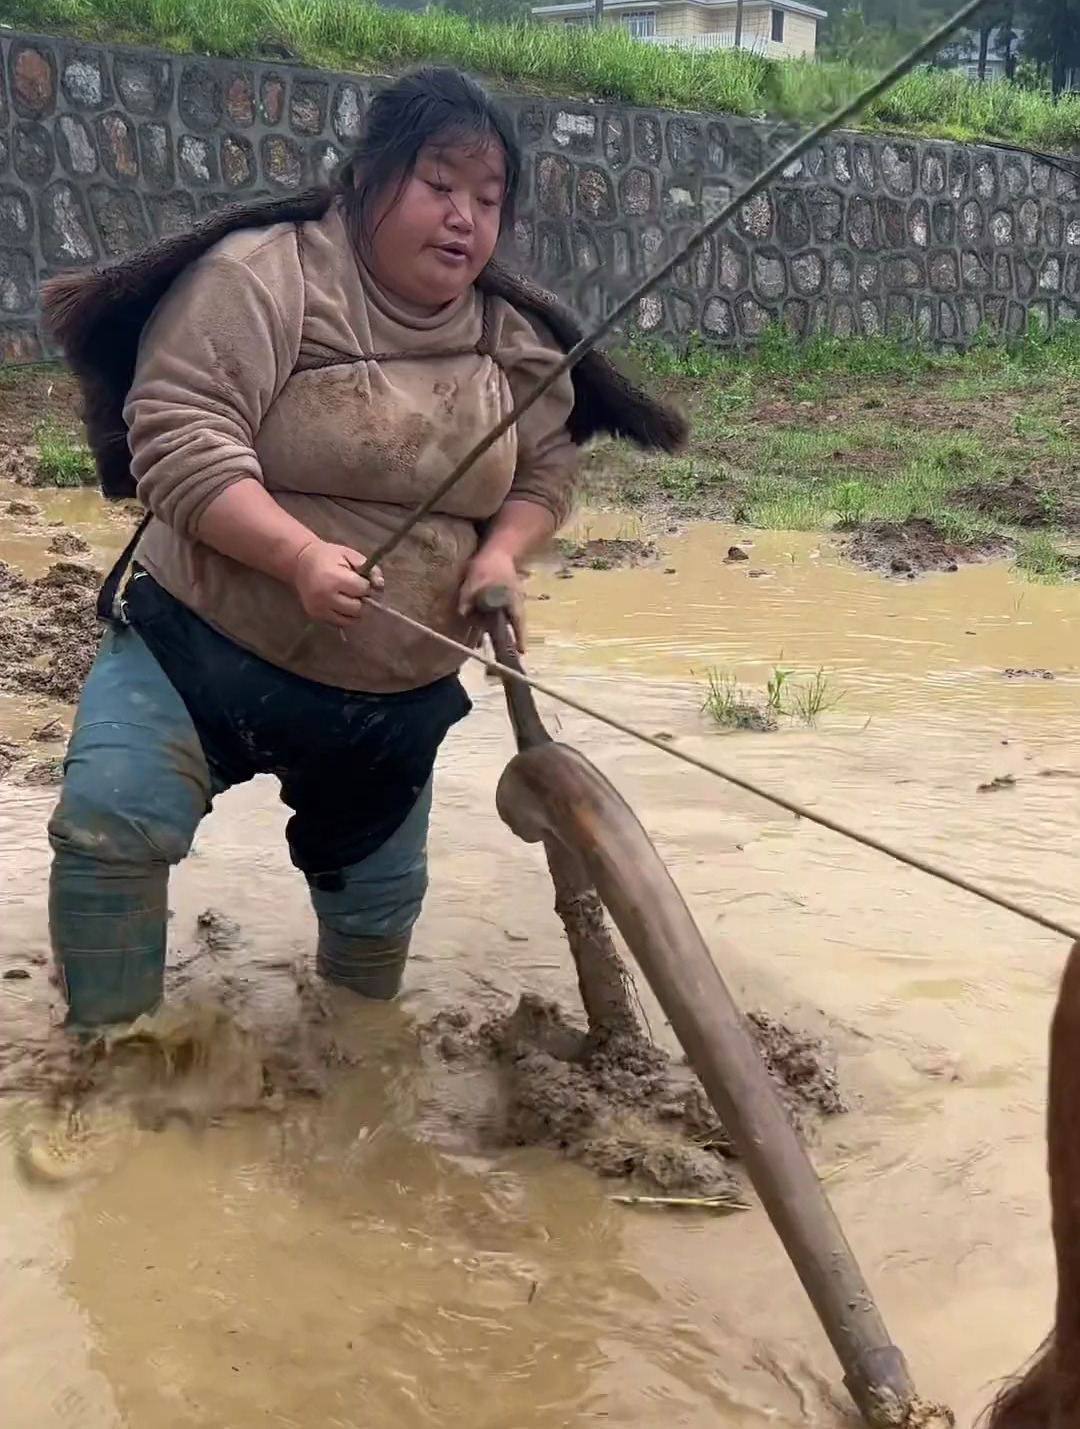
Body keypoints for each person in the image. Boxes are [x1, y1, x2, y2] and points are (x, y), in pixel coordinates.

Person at [41, 66, 685, 1030]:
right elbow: (176, 434)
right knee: (109, 826)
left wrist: (504, 551)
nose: (464, 216)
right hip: (198, 650)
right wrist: (298, 556)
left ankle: (352, 1075)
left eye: (489, 197)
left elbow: (544, 474)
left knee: (377, 919)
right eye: (438, 185)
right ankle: (106, 1062)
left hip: (389, 702)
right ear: (368, 178)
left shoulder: (512, 339)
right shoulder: (263, 275)